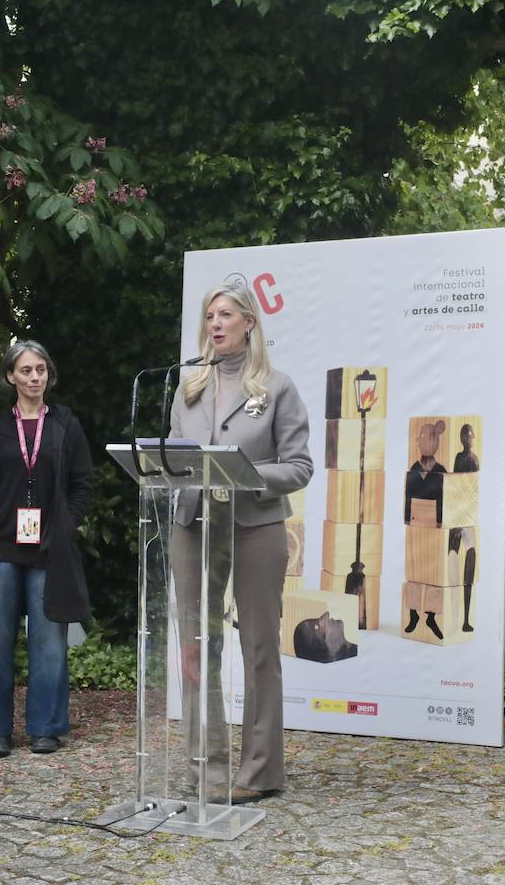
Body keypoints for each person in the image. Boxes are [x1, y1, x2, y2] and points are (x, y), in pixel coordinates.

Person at [168, 281, 313, 804]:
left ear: (249, 322)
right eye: (210, 316)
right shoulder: (188, 386)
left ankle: (259, 771)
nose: (216, 324)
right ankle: (205, 769)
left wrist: (245, 474)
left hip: (255, 524)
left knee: (258, 648)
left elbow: (299, 467)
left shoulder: (276, 387)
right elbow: (173, 459)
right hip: (193, 523)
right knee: (195, 648)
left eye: (225, 314)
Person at [0, 341, 93, 758]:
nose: (35, 377)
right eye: (26, 371)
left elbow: (83, 485)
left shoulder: (65, 425)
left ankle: (46, 728)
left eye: (41, 370)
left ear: (48, 375)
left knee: (49, 642)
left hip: (49, 551)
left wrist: (66, 526)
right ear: (9, 377)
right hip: (0, 547)